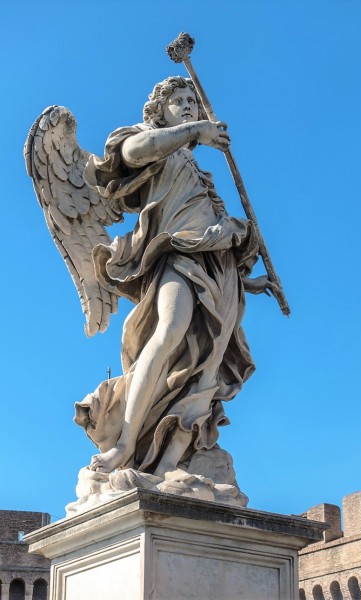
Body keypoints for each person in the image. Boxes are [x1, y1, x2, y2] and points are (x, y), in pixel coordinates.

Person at [79, 76, 276, 478]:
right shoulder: (146, 141)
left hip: (220, 268)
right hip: (177, 254)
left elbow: (215, 221)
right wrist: (195, 131)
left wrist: (250, 279)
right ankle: (126, 444)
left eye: (193, 101)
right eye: (179, 99)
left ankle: (173, 460)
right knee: (168, 331)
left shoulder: (197, 170)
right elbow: (131, 153)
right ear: (159, 108)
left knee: (207, 363)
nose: (189, 105)